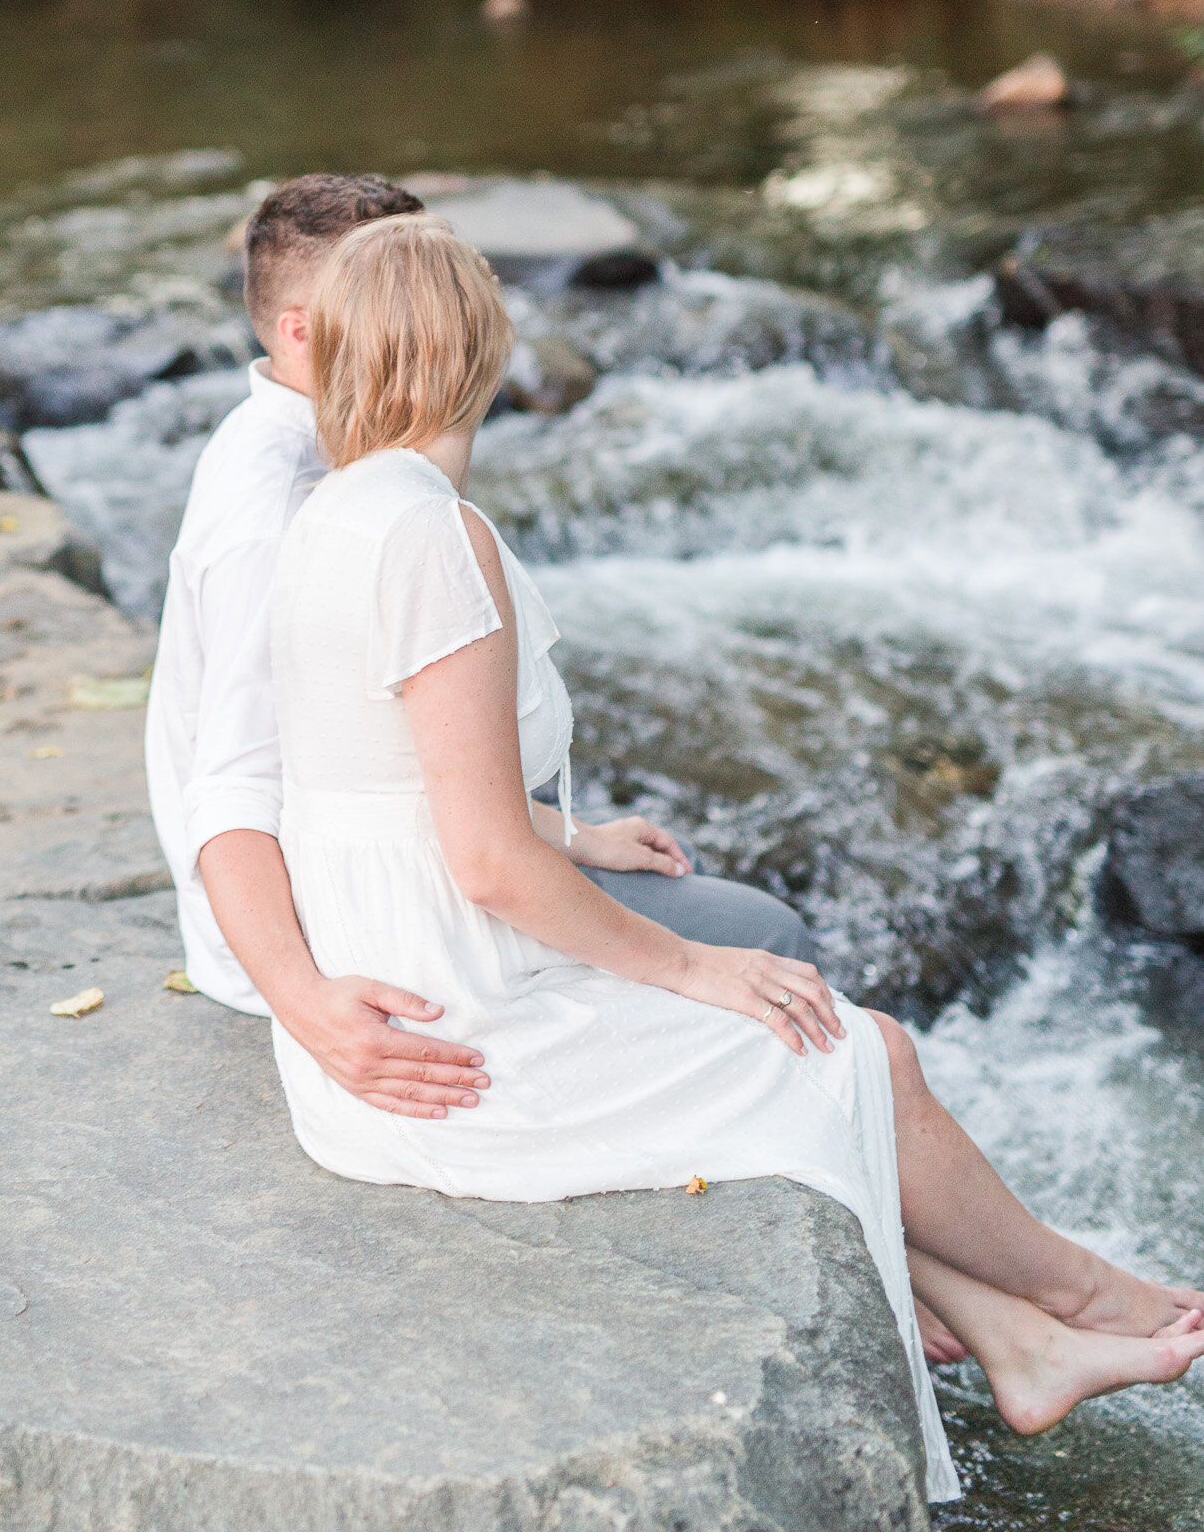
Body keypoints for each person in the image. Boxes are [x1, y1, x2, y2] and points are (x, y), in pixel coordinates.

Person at [268, 214, 1204, 1504]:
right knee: (856, 1046)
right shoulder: (432, 532)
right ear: (478, 345)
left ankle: (1021, 1336)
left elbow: (394, 783)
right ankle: (1078, 1286)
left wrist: (575, 838)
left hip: (400, 985)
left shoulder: (330, 512)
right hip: (459, 1032)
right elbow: (481, 857)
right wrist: (692, 965)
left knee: (827, 1048)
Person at [145, 171, 817, 1122]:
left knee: (714, 917)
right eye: (393, 294)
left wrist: (570, 837)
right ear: (305, 331)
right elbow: (235, 789)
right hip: (352, 937)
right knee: (767, 937)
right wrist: (308, 1008)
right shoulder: (283, 506)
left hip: (395, 866)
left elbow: (381, 754)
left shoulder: (348, 461)